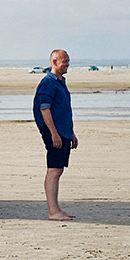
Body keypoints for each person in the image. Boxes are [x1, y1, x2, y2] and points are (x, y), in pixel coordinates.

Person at [33, 48, 76, 221]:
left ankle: (56, 208)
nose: (67, 64)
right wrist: (54, 134)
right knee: (54, 170)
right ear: (54, 62)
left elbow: (64, 111)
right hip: (54, 132)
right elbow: (45, 108)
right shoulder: (48, 82)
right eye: (64, 61)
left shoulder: (60, 82)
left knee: (58, 170)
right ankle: (53, 211)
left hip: (63, 131)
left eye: (68, 60)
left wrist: (71, 133)